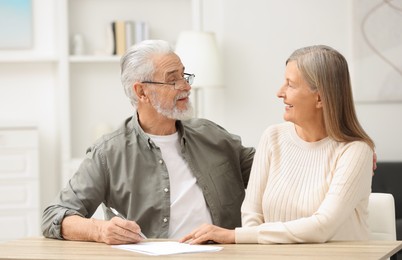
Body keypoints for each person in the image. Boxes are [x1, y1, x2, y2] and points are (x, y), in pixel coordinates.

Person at [41, 40, 255, 245]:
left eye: (184, 76)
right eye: (173, 79)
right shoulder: (109, 153)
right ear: (141, 92)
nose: (186, 87)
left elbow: (270, 168)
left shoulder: (213, 136)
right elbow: (54, 216)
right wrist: (101, 230)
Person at [180, 45, 375, 244]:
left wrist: (235, 236)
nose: (280, 93)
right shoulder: (273, 137)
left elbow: (322, 226)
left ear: (319, 97)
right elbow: (252, 213)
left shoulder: (356, 151)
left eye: (290, 85)